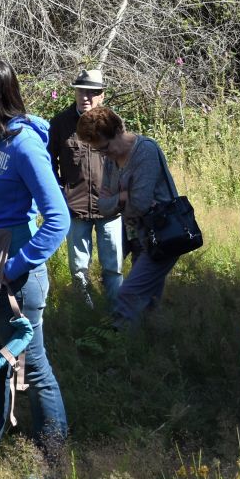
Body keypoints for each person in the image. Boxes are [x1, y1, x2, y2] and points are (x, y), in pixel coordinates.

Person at [0, 57, 69, 458]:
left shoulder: (24, 145)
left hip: (16, 278)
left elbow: (58, 219)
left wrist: (13, 267)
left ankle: (53, 459)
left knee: (32, 368)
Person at [75, 106, 181, 326]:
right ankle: (150, 341)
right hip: (138, 235)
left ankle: (119, 341)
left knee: (128, 295)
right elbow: (103, 207)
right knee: (149, 302)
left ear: (118, 131)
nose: (104, 155)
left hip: (162, 237)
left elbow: (140, 204)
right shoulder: (111, 159)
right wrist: (123, 197)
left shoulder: (145, 151)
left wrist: (117, 199)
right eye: (98, 151)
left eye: (105, 148)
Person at [49, 68, 121, 308]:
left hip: (110, 208)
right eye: (81, 91)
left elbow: (126, 161)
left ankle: (117, 314)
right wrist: (59, 191)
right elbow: (48, 162)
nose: (86, 97)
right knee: (79, 269)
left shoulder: (113, 124)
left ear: (102, 95)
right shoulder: (60, 123)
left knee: (113, 267)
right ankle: (86, 313)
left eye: (92, 92)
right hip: (75, 207)